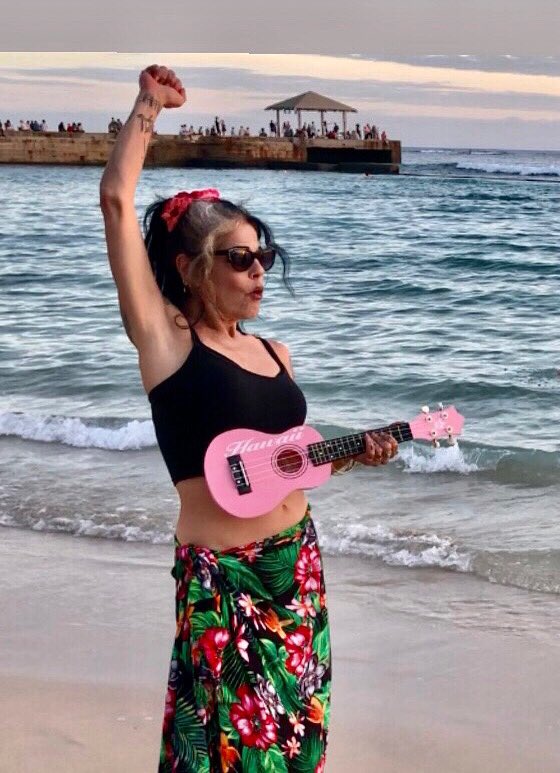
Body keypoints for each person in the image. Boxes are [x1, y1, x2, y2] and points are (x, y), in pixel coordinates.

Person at [100, 64, 397, 772]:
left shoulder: (276, 352)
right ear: (192, 267)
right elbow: (116, 199)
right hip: (221, 580)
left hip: (296, 569)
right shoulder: (167, 346)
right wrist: (150, 106)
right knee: (231, 749)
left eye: (262, 255)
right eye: (240, 258)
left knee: (297, 742)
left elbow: (285, 464)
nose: (259, 270)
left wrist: (356, 451)